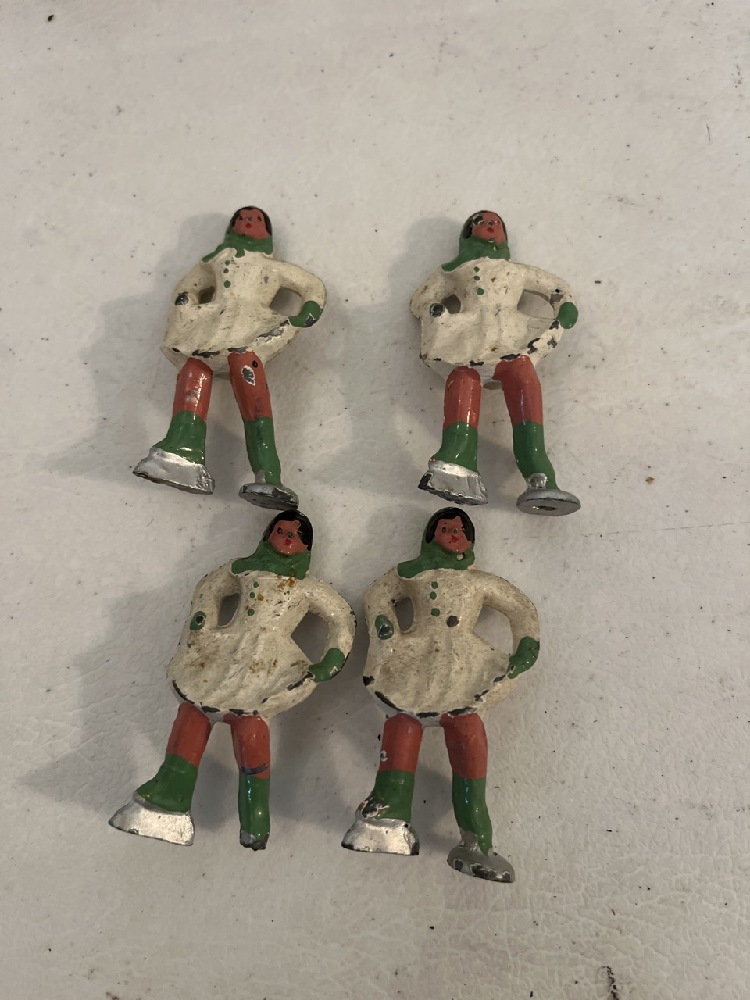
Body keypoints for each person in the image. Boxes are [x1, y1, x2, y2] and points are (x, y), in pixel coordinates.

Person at [110, 511, 355, 849]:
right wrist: (200, 628)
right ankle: (169, 797)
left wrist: (331, 660)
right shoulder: (243, 570)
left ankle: (255, 815)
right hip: (225, 651)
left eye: (295, 536)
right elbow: (209, 589)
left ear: (306, 546)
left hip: (270, 662)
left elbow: (341, 619)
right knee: (194, 713)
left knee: (250, 727)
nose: (286, 539)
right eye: (280, 531)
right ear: (267, 535)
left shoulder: (308, 587)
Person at [342, 508, 540, 882]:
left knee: (467, 730)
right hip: (416, 658)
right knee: (403, 721)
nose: (452, 534)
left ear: (471, 539)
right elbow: (378, 594)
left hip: (463, 661)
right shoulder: (410, 572)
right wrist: (385, 627)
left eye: (459, 529)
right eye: (445, 528)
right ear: (430, 535)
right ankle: (387, 815)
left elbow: (520, 609)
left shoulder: (478, 581)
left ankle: (476, 838)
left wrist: (526, 646)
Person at [134, 207, 326, 510]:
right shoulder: (216, 260)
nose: (248, 223)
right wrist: (185, 303)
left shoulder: (273, 268)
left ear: (267, 233)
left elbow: (310, 286)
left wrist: (309, 311)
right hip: (211, 327)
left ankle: (268, 473)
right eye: (242, 219)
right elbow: (189, 286)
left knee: (249, 384)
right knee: (194, 369)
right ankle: (183, 449)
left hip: (250, 327)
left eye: (255, 220)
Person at [410, 210, 581, 514]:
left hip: (512, 337)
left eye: (496, 223)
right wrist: (434, 309)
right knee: (463, 379)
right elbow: (420, 299)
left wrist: (566, 307)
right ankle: (457, 457)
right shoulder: (453, 270)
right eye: (482, 222)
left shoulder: (516, 271)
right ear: (468, 233)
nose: (490, 226)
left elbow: (556, 288)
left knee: (523, 380)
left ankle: (538, 470)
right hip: (470, 337)